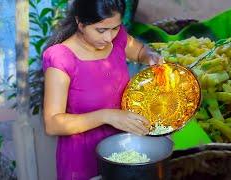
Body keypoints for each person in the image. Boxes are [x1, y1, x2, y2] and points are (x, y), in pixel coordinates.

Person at [42, 0, 163, 179]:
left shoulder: (118, 37)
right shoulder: (61, 58)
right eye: (101, 30)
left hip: (124, 149)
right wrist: (107, 115)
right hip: (82, 159)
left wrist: (150, 56)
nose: (109, 38)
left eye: (115, 28)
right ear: (80, 23)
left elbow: (139, 52)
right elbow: (53, 124)